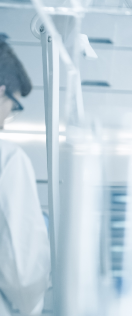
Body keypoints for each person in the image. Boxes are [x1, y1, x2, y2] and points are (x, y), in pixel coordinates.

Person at [0, 39, 51, 316]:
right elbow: (23, 276)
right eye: (13, 105)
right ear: (1, 92)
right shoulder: (8, 159)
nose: (6, 119)